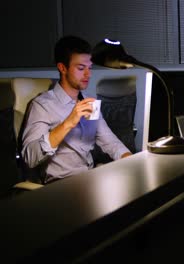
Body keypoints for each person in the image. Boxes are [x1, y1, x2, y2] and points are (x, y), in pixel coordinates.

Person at [21, 36, 132, 184]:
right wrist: (68, 123)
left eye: (89, 68)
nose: (88, 74)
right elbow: (30, 157)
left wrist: (133, 162)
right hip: (60, 186)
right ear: (62, 68)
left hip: (89, 180)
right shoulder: (42, 105)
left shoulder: (89, 102)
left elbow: (111, 142)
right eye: (81, 68)